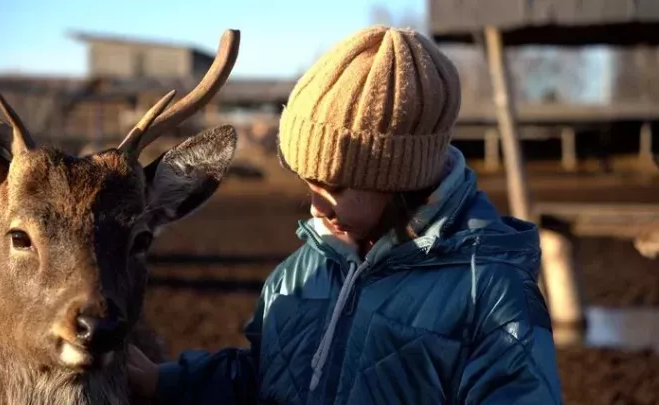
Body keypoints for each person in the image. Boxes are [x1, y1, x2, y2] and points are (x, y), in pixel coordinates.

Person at [127, 25, 563, 404]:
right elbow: (259, 381)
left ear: (399, 177)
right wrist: (165, 382)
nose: (317, 206)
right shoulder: (298, 275)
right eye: (309, 185)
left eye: (334, 187)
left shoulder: (488, 292)